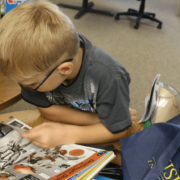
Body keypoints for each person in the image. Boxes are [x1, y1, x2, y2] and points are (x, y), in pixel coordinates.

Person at [0, 0, 143, 150]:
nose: (25, 87)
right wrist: (99, 119)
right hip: (90, 124)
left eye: (31, 85)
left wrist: (68, 134)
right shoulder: (42, 69)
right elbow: (46, 109)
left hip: (106, 143)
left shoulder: (109, 76)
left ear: (64, 69)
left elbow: (121, 130)